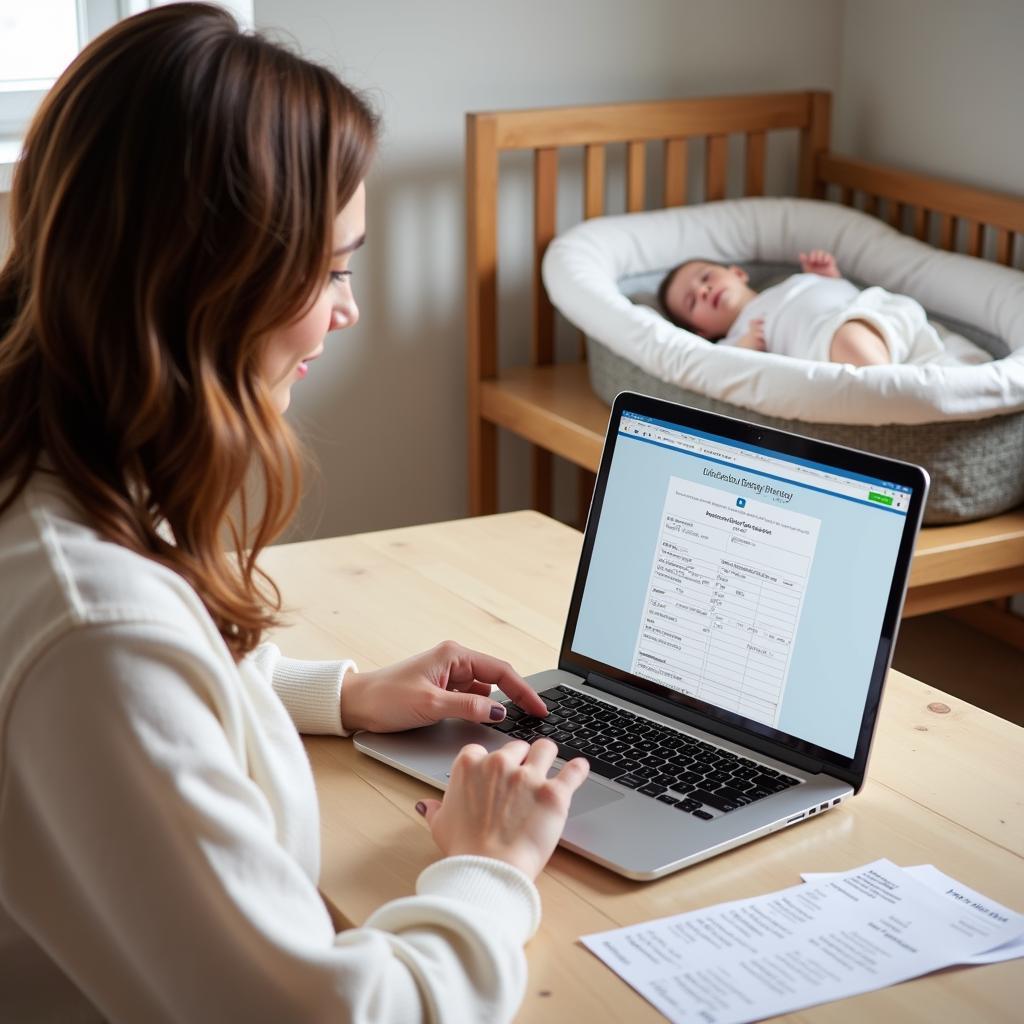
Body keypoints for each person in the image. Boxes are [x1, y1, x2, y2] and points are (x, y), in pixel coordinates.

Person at [0, 5, 588, 1022]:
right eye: (331, 270)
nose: (346, 310)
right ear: (207, 283)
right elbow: (328, 1015)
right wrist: (489, 872)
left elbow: (161, 684)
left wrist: (342, 693)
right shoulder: (94, 632)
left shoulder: (62, 462)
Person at [658, 250, 947, 367]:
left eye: (706, 278)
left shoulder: (791, 281)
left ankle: (906, 375)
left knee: (860, 333)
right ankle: (898, 386)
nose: (703, 291)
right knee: (849, 340)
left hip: (878, 309)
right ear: (701, 330)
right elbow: (728, 373)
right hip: (837, 341)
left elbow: (838, 296)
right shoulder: (734, 339)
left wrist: (827, 277)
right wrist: (744, 348)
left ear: (738, 273)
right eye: (692, 301)